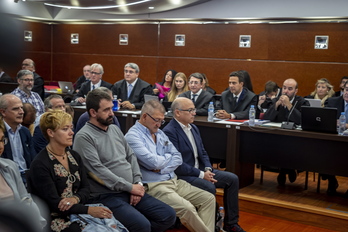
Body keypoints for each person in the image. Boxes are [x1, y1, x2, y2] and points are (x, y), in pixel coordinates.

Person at [73, 89, 176, 232]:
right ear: (93, 112)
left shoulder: (114, 129)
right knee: (141, 225)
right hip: (105, 195)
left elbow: (130, 156)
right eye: (106, 110)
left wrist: (136, 183)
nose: (112, 113)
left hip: (130, 189)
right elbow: (98, 172)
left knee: (168, 216)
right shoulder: (84, 137)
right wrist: (130, 187)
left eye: (111, 108)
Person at [125, 99, 215, 232]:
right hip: (155, 186)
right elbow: (153, 162)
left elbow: (178, 157)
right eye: (157, 120)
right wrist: (166, 159)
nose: (160, 124)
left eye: (162, 121)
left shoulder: (159, 133)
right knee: (187, 208)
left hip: (174, 181)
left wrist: (161, 168)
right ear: (144, 116)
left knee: (208, 199)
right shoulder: (133, 137)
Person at [163, 97, 245, 232]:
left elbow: (202, 152)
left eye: (194, 110)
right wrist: (202, 175)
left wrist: (207, 168)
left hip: (202, 170)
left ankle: (231, 224)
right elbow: (178, 165)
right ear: (177, 113)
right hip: (184, 175)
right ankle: (211, 225)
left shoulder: (194, 128)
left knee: (232, 179)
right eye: (190, 110)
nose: (194, 113)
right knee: (208, 187)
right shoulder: (170, 131)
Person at [29, 110, 116, 232]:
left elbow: (86, 188)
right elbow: (54, 204)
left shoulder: (74, 156)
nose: (71, 133)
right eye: (65, 129)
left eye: (71, 128)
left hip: (77, 210)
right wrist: (88, 210)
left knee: (113, 225)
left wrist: (75, 199)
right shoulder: (40, 164)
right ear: (50, 132)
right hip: (55, 219)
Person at [0, 119, 46, 231]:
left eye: (1, 140)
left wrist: (37, 225)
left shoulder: (10, 166)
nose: (0, 146)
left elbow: (26, 200)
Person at [263, 78, 310, 185]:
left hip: (296, 138)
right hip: (277, 136)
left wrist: (289, 105)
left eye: (290, 89)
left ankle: (284, 170)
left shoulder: (302, 102)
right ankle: (288, 169)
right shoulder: (276, 100)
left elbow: (302, 120)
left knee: (289, 145)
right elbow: (266, 118)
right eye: (284, 88)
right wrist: (276, 105)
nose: (286, 91)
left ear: (296, 91)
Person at [0, 94, 36, 183]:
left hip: (27, 176)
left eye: (21, 108)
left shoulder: (25, 131)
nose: (21, 112)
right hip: (8, 178)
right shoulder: (0, 132)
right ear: (3, 112)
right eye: (16, 109)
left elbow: (33, 158)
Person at [323, 80, 348, 195]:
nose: (346, 93)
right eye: (345, 90)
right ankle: (331, 180)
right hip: (334, 138)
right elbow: (325, 118)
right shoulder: (333, 101)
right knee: (323, 150)